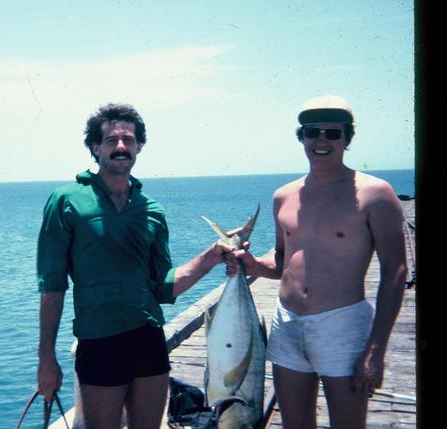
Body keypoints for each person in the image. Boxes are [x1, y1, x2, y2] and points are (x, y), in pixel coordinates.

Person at [36, 103, 231, 429]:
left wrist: (210, 257)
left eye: (129, 139)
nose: (121, 147)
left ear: (139, 146)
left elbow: (164, 286)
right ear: (95, 148)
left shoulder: (151, 209)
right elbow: (52, 284)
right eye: (111, 140)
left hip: (149, 340)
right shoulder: (66, 201)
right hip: (99, 344)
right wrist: (46, 357)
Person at [226, 95, 407, 429]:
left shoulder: (375, 193)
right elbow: (283, 262)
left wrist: (376, 350)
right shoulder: (283, 195)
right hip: (287, 326)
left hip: (342, 328)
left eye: (332, 134)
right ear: (302, 137)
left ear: (347, 139)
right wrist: (250, 264)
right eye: (312, 132)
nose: (321, 141)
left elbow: (396, 272)